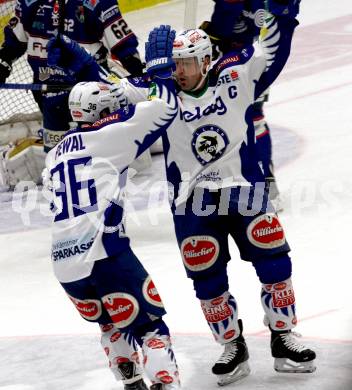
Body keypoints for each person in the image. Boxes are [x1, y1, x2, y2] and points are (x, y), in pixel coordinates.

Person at [47, 1, 316, 386]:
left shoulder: (237, 72)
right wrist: (86, 67)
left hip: (245, 191)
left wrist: (284, 16)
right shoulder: (159, 91)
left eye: (187, 63)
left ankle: (284, 336)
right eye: (175, 63)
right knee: (207, 281)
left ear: (206, 60)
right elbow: (112, 93)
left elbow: (274, 49)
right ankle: (231, 345)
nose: (179, 71)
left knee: (275, 265)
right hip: (193, 202)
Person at [43, 25, 181, 390]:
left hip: (65, 265)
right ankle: (166, 384)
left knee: (111, 322)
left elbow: (111, 103)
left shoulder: (55, 153)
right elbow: (165, 106)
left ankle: (131, 382)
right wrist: (161, 70)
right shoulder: (112, 136)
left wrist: (89, 68)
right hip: (106, 254)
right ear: (106, 111)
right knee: (150, 326)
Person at [0, 0, 144, 187]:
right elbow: (14, 41)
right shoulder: (30, 3)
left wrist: (139, 77)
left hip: (91, 92)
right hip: (49, 91)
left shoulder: (97, 2)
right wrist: (3, 62)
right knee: (57, 162)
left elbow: (123, 44)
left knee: (102, 163)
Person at [200, 0, 281, 209]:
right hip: (251, 56)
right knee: (252, 118)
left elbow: (227, 21)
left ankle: (262, 181)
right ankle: (264, 181)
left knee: (248, 118)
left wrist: (212, 33)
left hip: (243, 60)